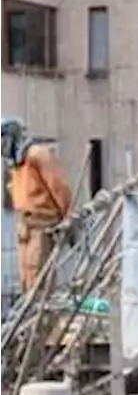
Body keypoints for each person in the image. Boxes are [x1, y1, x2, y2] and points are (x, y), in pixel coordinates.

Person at [1, 118, 72, 293]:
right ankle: (32, 315)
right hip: (25, 225)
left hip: (42, 223)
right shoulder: (15, 164)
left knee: (38, 276)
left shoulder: (37, 155)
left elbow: (59, 187)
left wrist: (68, 217)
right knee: (26, 276)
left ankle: (43, 317)